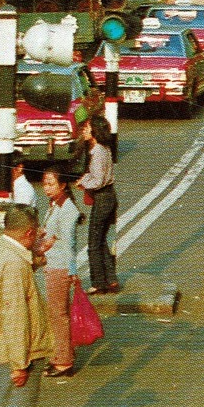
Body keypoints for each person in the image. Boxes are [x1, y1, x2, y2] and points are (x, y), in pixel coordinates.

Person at [0, 205, 54, 407]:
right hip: (16, 356)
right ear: (29, 232)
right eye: (36, 233)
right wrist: (19, 364)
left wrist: (36, 255)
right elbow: (15, 316)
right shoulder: (15, 265)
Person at [38, 163, 83, 379]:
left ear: (63, 184)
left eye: (50, 183)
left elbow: (70, 243)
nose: (46, 188)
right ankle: (61, 354)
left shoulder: (68, 210)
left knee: (59, 314)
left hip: (60, 266)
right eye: (44, 183)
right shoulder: (56, 204)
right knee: (56, 313)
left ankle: (64, 361)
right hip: (53, 263)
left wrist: (73, 271)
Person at [77, 115, 120, 295]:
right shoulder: (104, 149)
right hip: (109, 197)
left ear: (94, 131)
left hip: (102, 198)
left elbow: (98, 181)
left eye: (87, 128)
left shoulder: (98, 153)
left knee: (93, 242)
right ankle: (110, 279)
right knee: (102, 239)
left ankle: (98, 282)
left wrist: (83, 183)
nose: (84, 131)